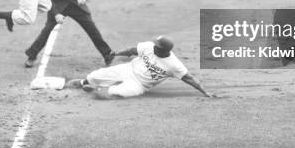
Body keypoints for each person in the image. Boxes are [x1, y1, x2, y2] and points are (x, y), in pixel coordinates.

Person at [67, 36, 215, 99]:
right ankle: (83, 83)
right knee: (95, 76)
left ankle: (99, 91)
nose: (154, 45)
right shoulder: (148, 46)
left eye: (157, 45)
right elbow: (132, 50)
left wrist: (205, 92)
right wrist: (116, 52)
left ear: (164, 50)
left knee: (117, 92)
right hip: (128, 69)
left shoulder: (174, 64)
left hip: (140, 84)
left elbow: (189, 79)